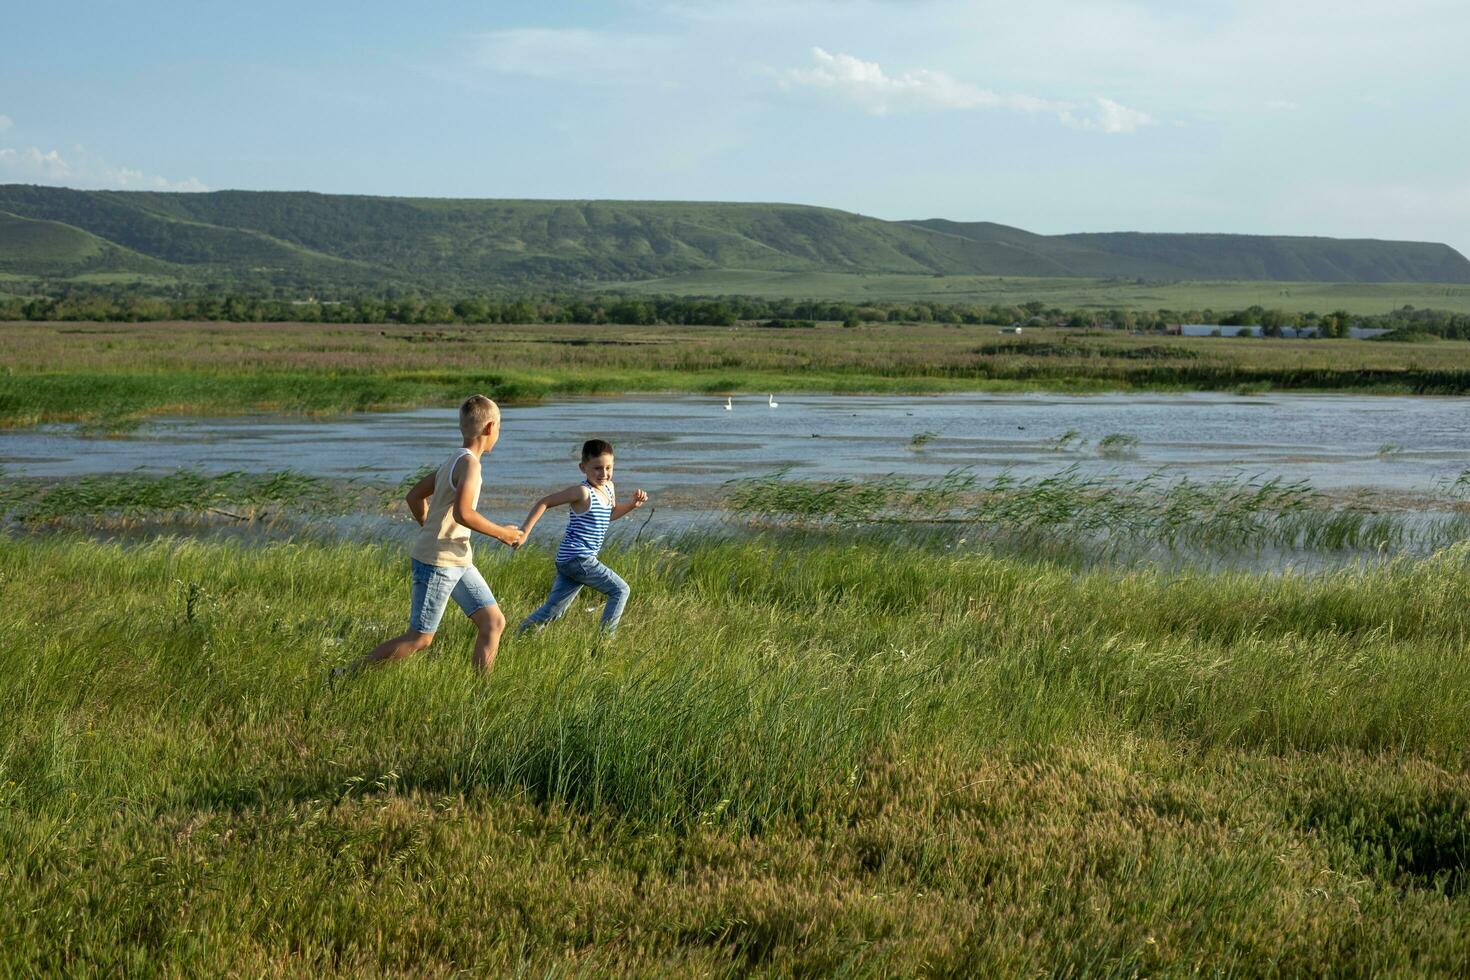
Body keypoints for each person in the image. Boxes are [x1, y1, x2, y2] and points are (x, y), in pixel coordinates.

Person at [357, 395, 523, 674]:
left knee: (493, 622)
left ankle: (481, 692)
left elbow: (414, 497)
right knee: (419, 638)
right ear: (491, 427)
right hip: (439, 562)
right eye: (500, 427)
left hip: (457, 559)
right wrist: (502, 534)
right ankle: (347, 675)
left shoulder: (454, 459)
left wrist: (430, 526)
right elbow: (463, 513)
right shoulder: (470, 464)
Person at [516, 438, 648, 635]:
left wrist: (631, 505)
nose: (603, 474)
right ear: (583, 467)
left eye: (608, 468)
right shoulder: (582, 492)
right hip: (577, 558)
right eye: (597, 468)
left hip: (572, 560)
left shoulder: (609, 488)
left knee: (554, 610)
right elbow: (544, 502)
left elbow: (609, 515)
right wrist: (524, 531)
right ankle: (604, 643)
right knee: (620, 590)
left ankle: (519, 636)